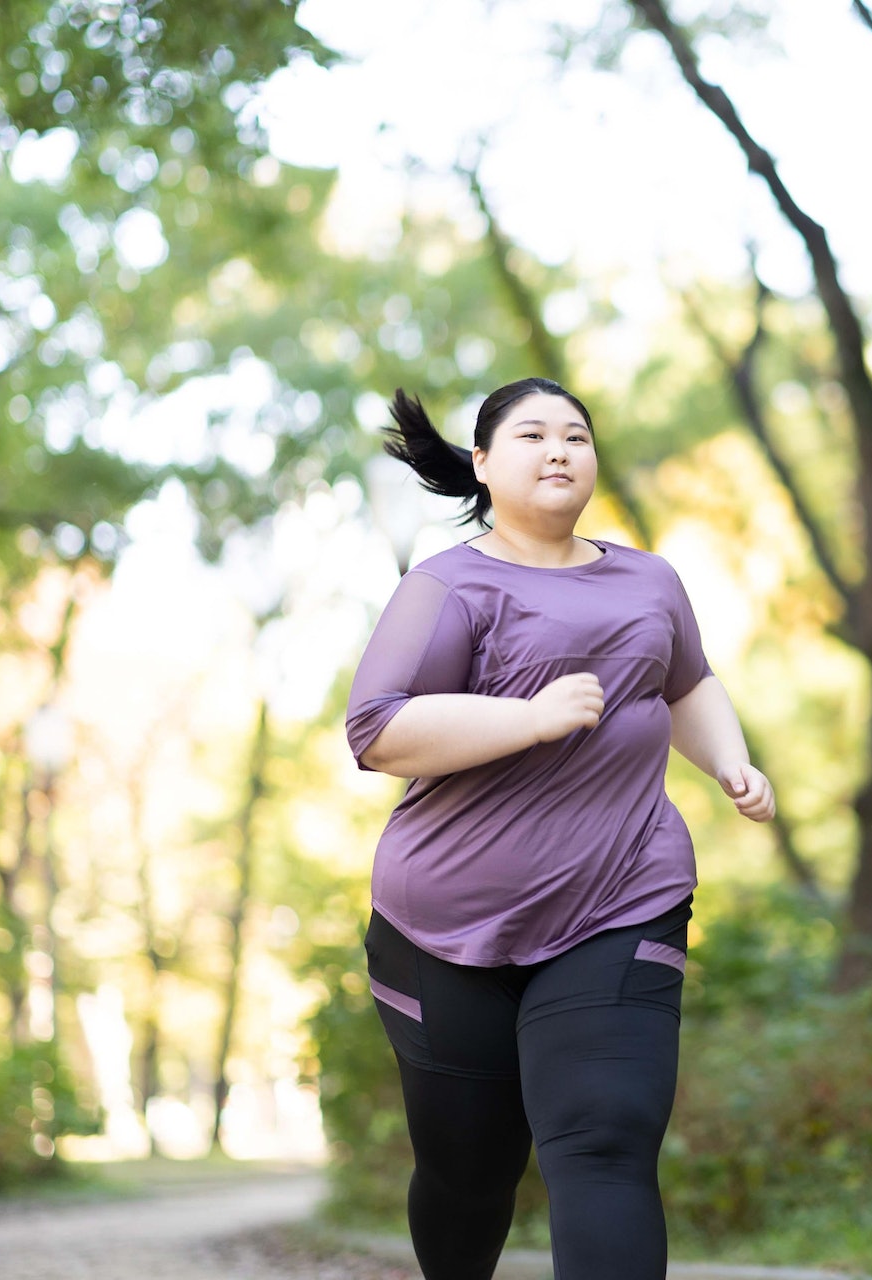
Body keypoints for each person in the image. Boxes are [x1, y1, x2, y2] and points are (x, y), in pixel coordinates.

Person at [344, 376, 775, 1280]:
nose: (558, 451)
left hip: (621, 900)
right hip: (443, 926)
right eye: (533, 435)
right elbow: (377, 731)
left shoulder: (649, 580)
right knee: (468, 1177)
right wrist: (530, 719)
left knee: (606, 1143)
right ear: (482, 464)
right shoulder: (447, 586)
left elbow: (688, 682)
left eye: (575, 436)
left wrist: (730, 761)